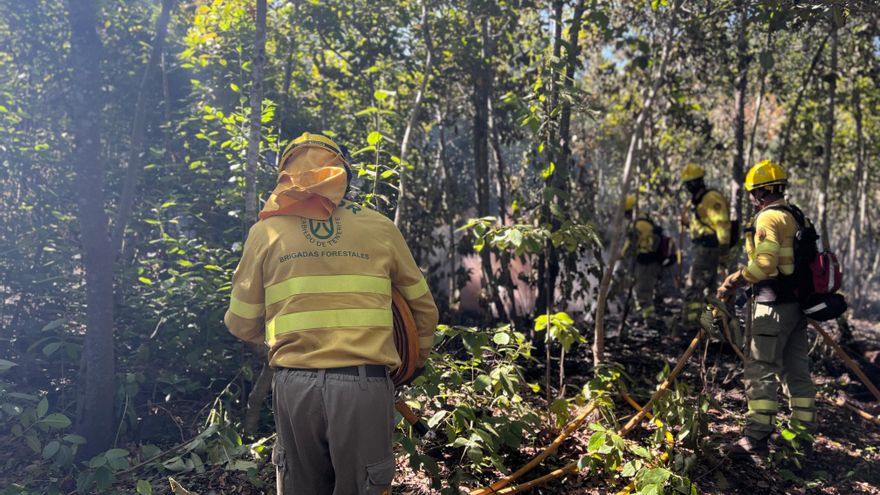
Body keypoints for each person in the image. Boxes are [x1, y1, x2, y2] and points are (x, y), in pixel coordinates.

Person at [224, 132, 439, 494]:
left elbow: (241, 321)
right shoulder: (379, 226)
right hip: (365, 386)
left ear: (285, 176)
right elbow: (422, 307)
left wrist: (284, 338)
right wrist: (414, 363)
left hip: (295, 387)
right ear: (344, 176)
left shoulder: (266, 232)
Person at [716, 159, 815, 458]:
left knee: (760, 369)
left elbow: (764, 265)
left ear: (761, 192)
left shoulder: (768, 218)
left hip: (772, 308)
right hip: (797, 308)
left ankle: (756, 437)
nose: (751, 200)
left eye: (752, 194)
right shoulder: (796, 216)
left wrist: (732, 282)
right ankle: (801, 435)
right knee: (796, 371)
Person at [680, 164, 731, 328]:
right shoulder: (698, 200)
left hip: (709, 249)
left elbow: (722, 225)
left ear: (697, 182)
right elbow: (703, 224)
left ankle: (690, 325)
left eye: (690, 183)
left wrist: (724, 251)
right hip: (703, 248)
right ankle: (713, 325)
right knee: (709, 290)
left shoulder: (711, 198)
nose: (688, 188)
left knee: (693, 288)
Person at [621, 194, 665, 329]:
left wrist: (621, 257)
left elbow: (629, 247)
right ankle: (644, 318)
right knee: (641, 291)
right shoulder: (645, 220)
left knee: (643, 292)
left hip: (647, 263)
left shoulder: (637, 225)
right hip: (651, 262)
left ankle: (650, 322)